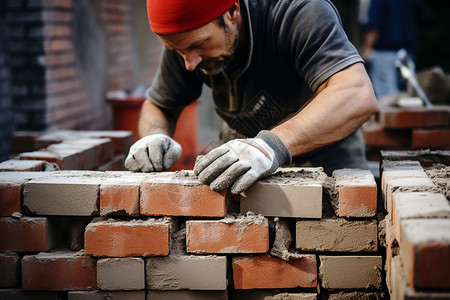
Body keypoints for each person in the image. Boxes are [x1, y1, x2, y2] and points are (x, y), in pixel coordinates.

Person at [125, 0, 378, 195]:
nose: (189, 64)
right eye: (177, 50)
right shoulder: (188, 42)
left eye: (197, 45)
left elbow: (356, 93)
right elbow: (159, 104)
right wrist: (153, 136)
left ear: (232, 11)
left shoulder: (297, 12)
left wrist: (271, 145)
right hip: (244, 158)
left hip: (327, 154)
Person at [362, 0, 427, 99]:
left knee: (387, 99)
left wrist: (366, 49)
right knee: (408, 96)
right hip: (406, 53)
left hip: (384, 54)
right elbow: (421, 14)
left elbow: (374, 28)